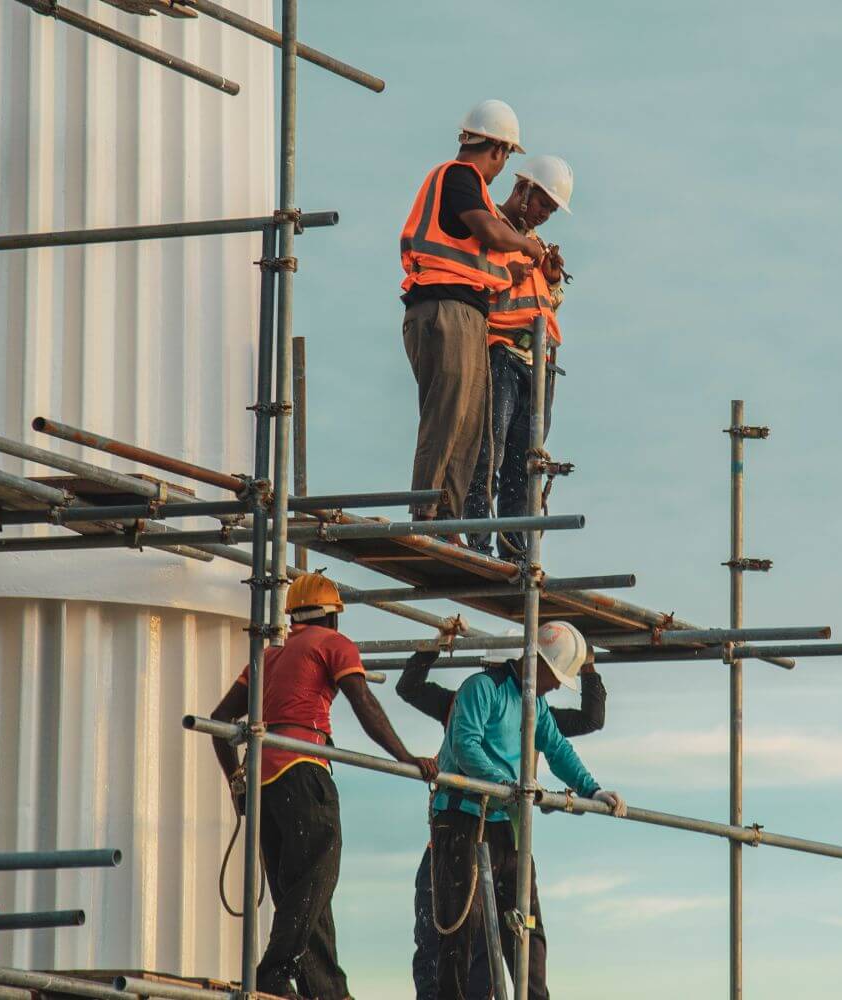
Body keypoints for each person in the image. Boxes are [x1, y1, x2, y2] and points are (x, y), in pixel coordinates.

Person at [208, 573, 440, 1000]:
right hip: (303, 768)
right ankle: (273, 973)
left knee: (301, 890)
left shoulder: (267, 658)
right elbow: (364, 703)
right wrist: (405, 757)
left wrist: (237, 782)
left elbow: (219, 725)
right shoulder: (333, 644)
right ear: (332, 617)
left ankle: (327, 990)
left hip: (264, 781)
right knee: (318, 876)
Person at [400, 630, 608, 999]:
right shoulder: (481, 689)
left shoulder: (535, 705)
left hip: (503, 825)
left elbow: (557, 748)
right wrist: (505, 785)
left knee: (527, 925)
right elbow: (465, 744)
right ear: (539, 663)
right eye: (557, 678)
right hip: (463, 820)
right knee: (460, 930)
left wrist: (592, 789)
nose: (558, 688)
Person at [400, 99, 549, 527]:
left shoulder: (471, 192)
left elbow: (478, 251)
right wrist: (524, 245)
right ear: (499, 149)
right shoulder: (460, 176)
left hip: (463, 312)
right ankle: (427, 512)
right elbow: (487, 229)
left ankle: (448, 517)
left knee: (469, 425)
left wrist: (517, 265)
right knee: (447, 414)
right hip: (443, 308)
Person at [465, 154, 575, 558]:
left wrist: (549, 281)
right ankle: (477, 543)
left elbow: (542, 304)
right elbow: (478, 281)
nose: (546, 213)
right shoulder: (491, 225)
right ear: (523, 189)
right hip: (502, 355)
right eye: (543, 202)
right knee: (487, 453)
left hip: (539, 364)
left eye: (551, 207)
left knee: (522, 465)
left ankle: (515, 552)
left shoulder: (536, 245)